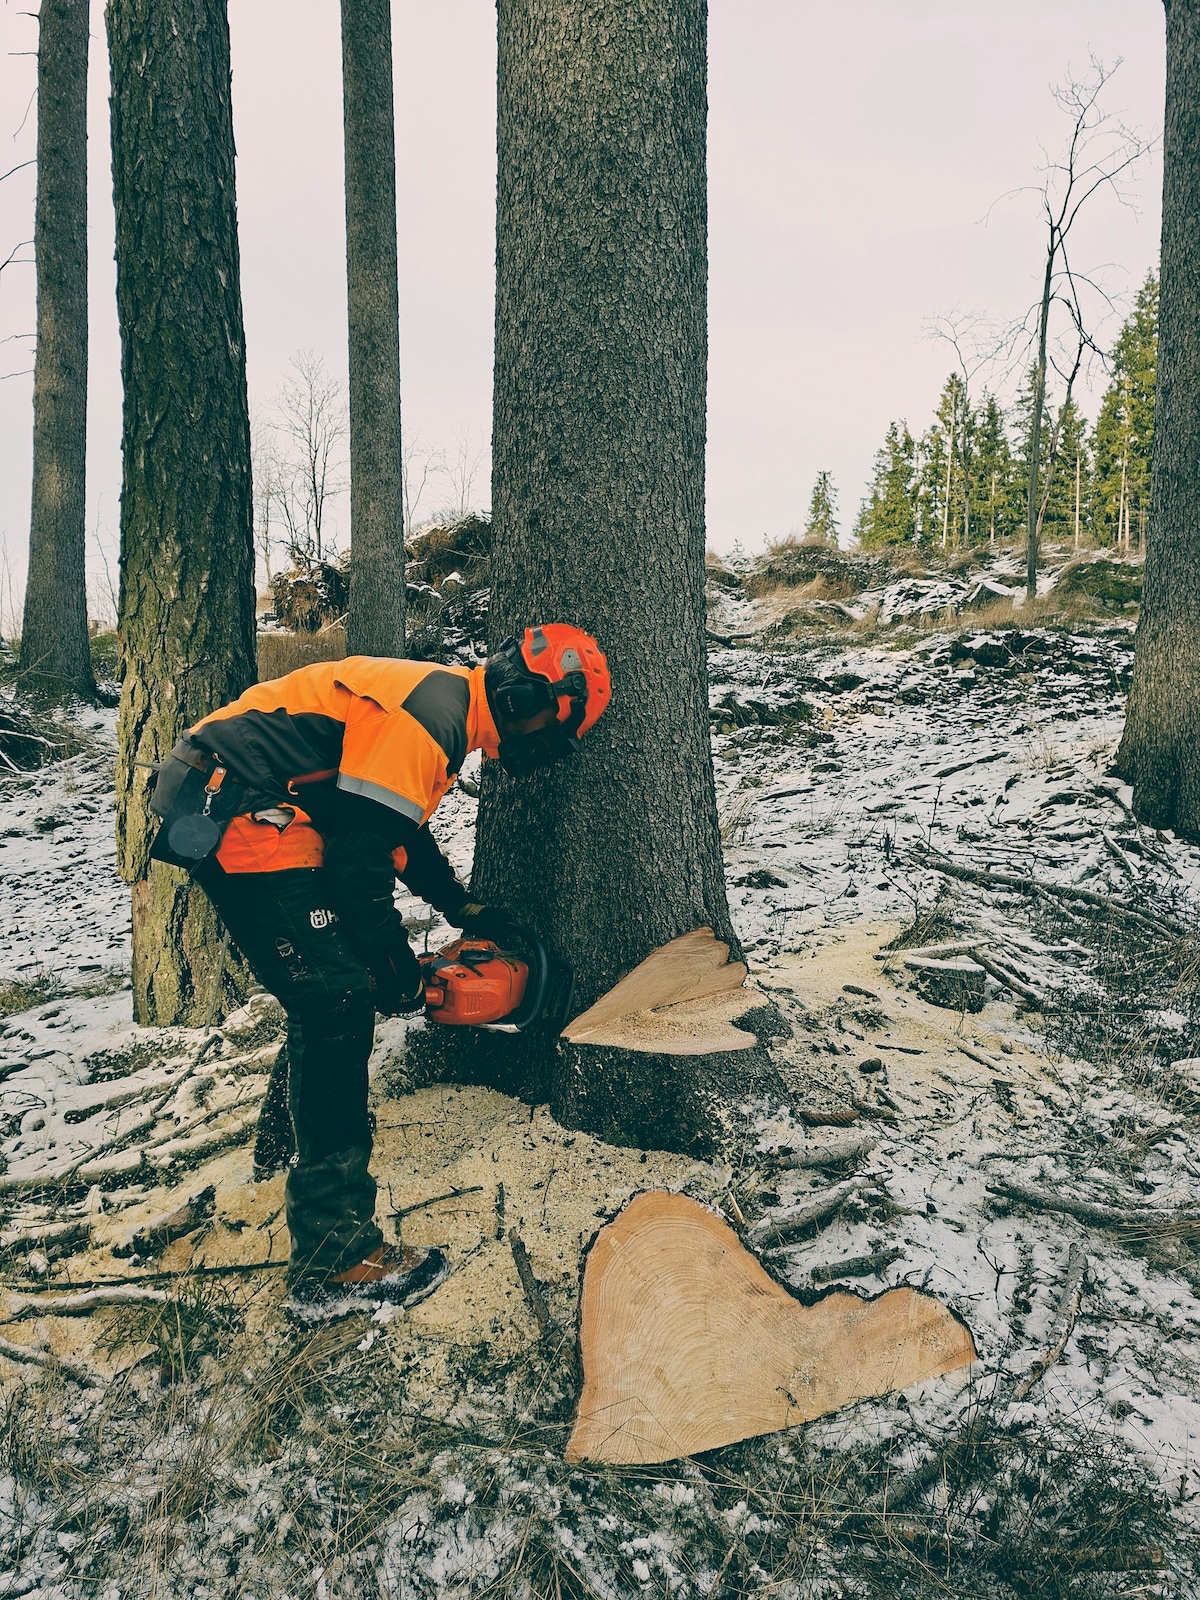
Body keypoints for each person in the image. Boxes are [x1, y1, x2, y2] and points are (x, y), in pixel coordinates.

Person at [148, 625, 610, 1318]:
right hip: (236, 798)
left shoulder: (446, 710)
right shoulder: (429, 720)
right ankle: (334, 1260)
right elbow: (357, 866)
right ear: (525, 697)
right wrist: (396, 971)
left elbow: (390, 830)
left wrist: (462, 907)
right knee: (334, 1001)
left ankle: (283, 1158)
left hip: (243, 790)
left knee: (327, 995)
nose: (547, 745)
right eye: (555, 727)